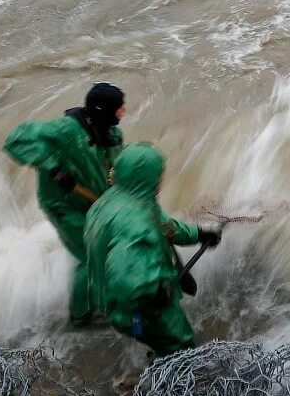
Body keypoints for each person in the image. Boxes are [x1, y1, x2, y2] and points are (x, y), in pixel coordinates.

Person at [3, 83, 126, 327]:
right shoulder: (65, 131)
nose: (124, 111)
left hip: (94, 202)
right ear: (103, 111)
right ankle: (79, 318)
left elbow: (114, 167)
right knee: (91, 256)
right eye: (119, 107)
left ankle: (103, 299)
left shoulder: (111, 134)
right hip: (64, 206)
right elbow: (15, 140)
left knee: (113, 248)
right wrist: (54, 168)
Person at [84, 143, 221, 357]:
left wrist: (199, 234)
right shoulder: (136, 225)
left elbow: (165, 225)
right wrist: (154, 291)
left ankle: (160, 356)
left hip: (107, 298)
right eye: (158, 175)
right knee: (180, 343)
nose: (161, 181)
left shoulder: (115, 200)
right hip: (141, 307)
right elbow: (124, 277)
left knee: (163, 341)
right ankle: (174, 380)